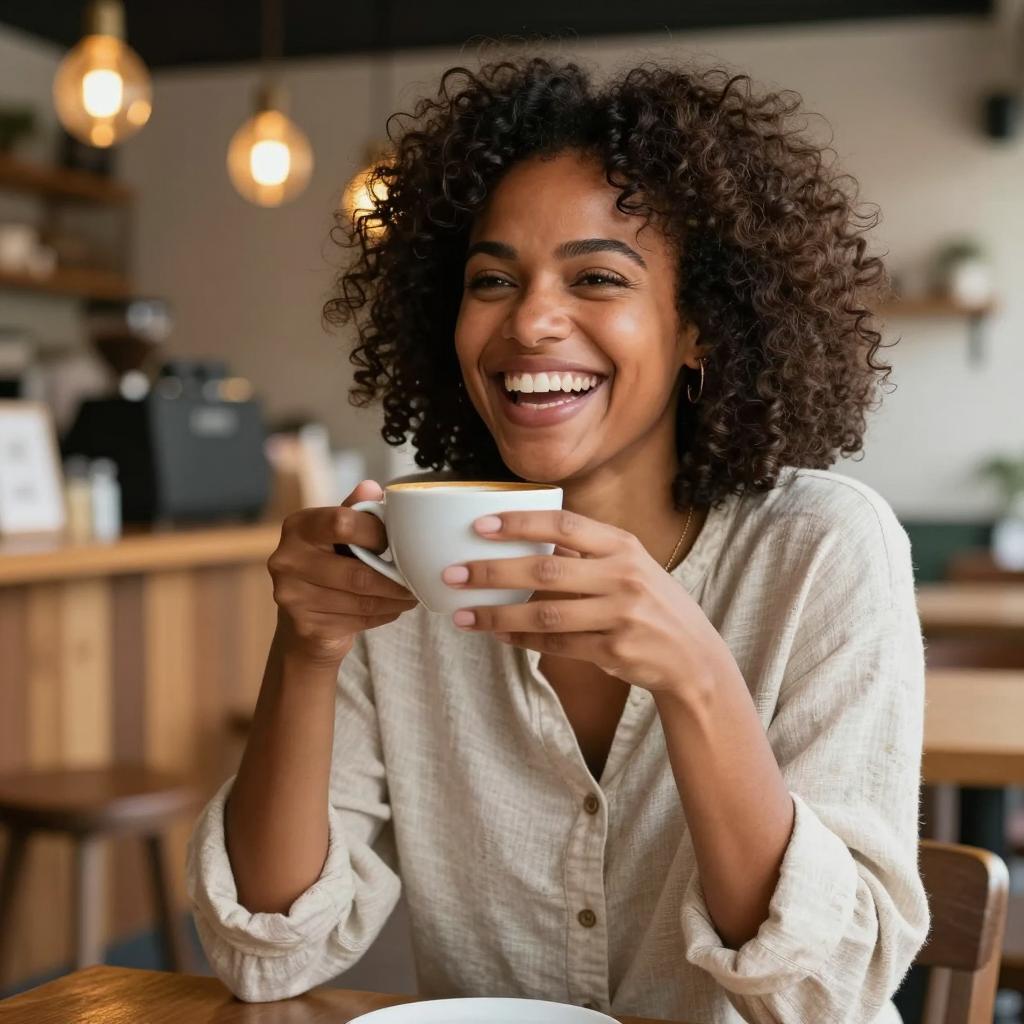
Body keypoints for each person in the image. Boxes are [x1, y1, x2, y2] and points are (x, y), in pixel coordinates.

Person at [186, 54, 929, 1022]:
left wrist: (697, 676)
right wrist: (307, 648)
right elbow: (263, 954)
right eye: (492, 278)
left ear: (698, 326)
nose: (531, 320)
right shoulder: (406, 552)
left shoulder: (823, 552)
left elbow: (822, 998)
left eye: (596, 277)